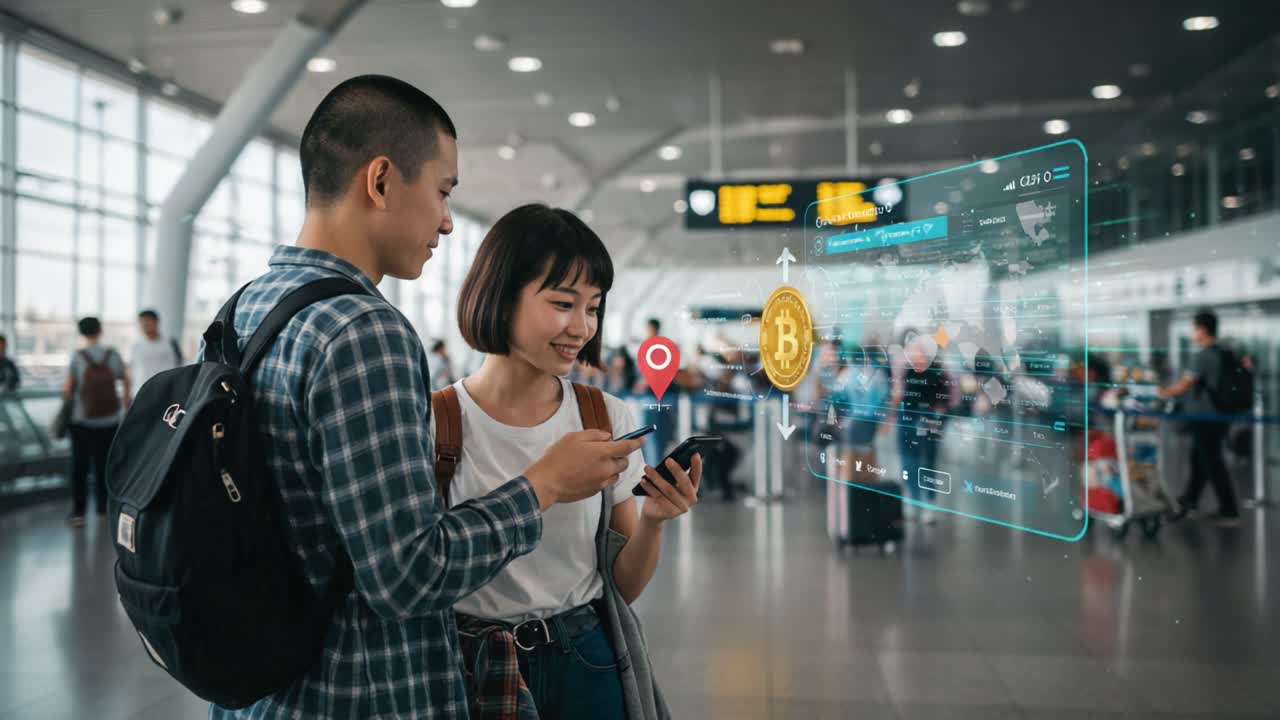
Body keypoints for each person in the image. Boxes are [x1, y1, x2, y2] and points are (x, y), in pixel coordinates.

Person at [209, 76, 645, 720]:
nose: (445, 219)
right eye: (442, 191)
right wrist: (542, 485)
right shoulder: (362, 329)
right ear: (381, 180)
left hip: (261, 680)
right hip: (354, 690)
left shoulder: (246, 310)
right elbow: (408, 576)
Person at [446, 204, 698, 719]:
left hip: (585, 657)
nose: (581, 326)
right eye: (563, 302)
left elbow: (620, 584)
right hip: (470, 664)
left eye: (594, 307)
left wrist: (653, 521)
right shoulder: (438, 423)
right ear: (501, 294)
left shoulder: (602, 414)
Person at [1158, 310, 1241, 527]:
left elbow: (1184, 385)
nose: (1193, 333)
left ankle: (1230, 511)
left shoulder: (1202, 356)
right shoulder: (1222, 352)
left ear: (1202, 330)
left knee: (1212, 463)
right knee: (1200, 460)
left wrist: (1162, 392)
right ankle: (1190, 500)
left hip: (1206, 417)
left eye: (1195, 328)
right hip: (1219, 416)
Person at [62, 316, 130, 527]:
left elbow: (67, 389)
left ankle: (79, 513)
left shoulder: (77, 356)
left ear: (82, 333)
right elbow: (125, 379)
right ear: (100, 331)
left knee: (79, 467)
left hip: (81, 420)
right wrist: (124, 405)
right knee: (104, 465)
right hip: (109, 419)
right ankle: (103, 509)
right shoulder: (112, 355)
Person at [129, 309, 182, 388]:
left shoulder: (170, 343)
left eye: (147, 321)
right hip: (141, 390)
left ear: (156, 322)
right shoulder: (137, 346)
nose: (144, 325)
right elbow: (133, 369)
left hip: (166, 389)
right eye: (141, 322)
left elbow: (180, 364)